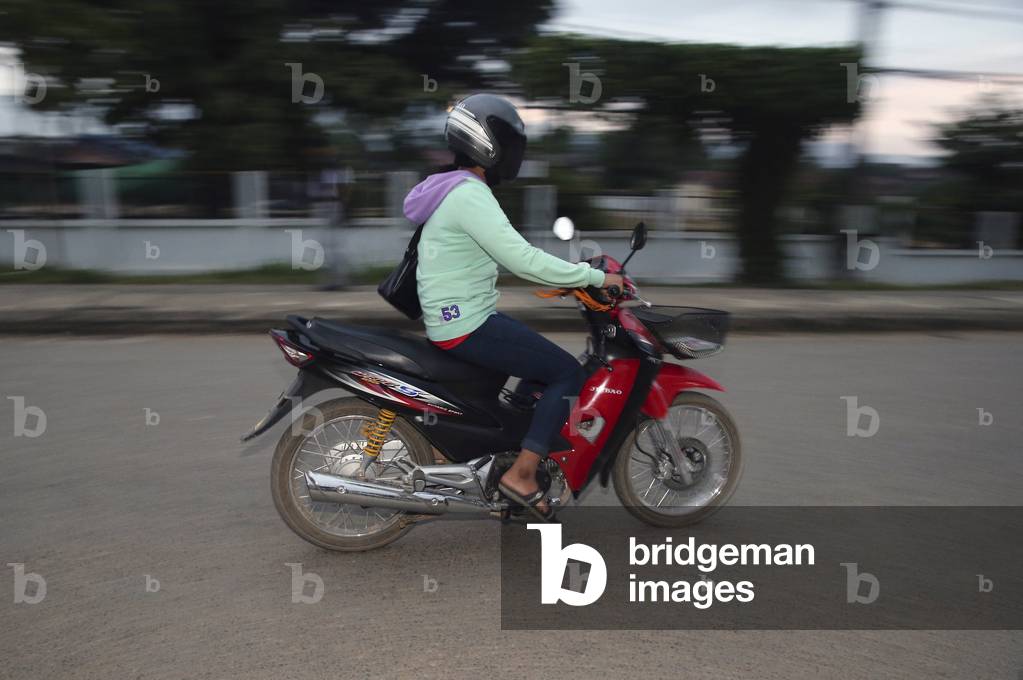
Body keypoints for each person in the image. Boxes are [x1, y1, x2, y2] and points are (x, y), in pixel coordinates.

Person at [403, 94, 623, 520]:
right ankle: (521, 475)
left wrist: (563, 279)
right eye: (511, 144)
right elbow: (522, 259)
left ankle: (499, 460)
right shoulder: (470, 195)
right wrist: (592, 277)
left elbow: (500, 255)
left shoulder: (450, 187)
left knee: (531, 369)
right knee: (566, 372)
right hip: (466, 322)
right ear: (489, 145)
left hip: (455, 316)